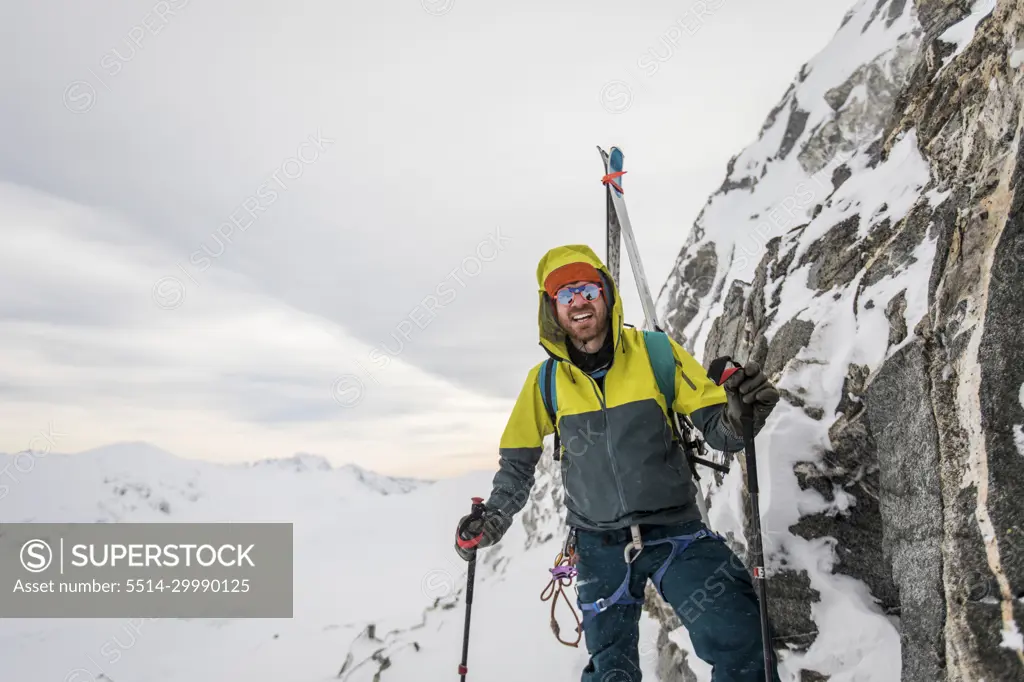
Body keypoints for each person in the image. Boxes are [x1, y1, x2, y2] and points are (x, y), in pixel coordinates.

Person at [454, 244, 781, 682]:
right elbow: (517, 462)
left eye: (587, 288)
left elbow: (721, 431)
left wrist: (742, 413)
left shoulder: (657, 354)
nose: (578, 301)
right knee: (612, 673)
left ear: (606, 294)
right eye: (564, 295)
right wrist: (493, 518)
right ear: (552, 310)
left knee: (743, 642)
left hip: (676, 532)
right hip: (597, 544)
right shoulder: (545, 382)